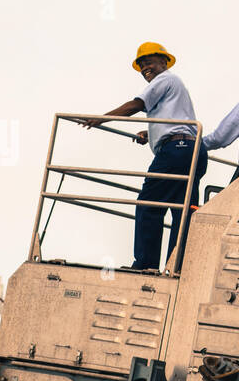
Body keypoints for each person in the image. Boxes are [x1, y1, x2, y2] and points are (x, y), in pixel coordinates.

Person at [88, 42, 206, 271]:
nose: (145, 68)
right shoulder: (174, 85)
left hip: (177, 150)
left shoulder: (165, 79)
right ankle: (177, 266)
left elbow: (136, 105)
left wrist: (100, 118)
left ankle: (145, 264)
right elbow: (174, 119)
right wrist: (151, 134)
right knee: (182, 213)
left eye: (149, 62)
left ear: (164, 61)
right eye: (141, 65)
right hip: (192, 150)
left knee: (149, 205)